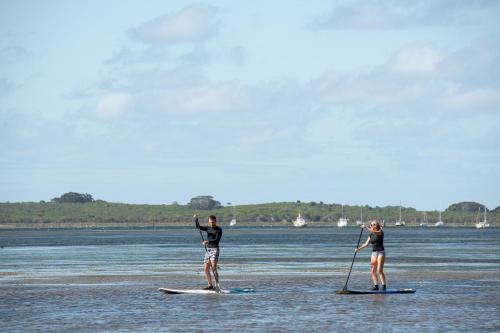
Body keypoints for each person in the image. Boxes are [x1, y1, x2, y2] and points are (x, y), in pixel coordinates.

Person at [355, 220, 387, 290]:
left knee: (379, 270)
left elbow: (374, 232)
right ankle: (376, 286)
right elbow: (366, 244)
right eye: (371, 225)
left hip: (381, 252)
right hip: (374, 253)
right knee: (372, 271)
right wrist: (358, 249)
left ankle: (384, 286)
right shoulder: (371, 234)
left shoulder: (380, 232)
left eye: (373, 224)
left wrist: (366, 227)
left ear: (376, 225)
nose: (372, 225)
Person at [194, 214, 223, 290]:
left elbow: (216, 240)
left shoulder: (219, 230)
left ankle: (217, 285)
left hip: (215, 250)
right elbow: (198, 227)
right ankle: (210, 285)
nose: (211, 224)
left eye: (213, 222)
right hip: (208, 250)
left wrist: (207, 241)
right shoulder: (208, 228)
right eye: (210, 222)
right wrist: (196, 219)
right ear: (209, 221)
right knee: (206, 268)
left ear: (215, 221)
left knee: (214, 268)